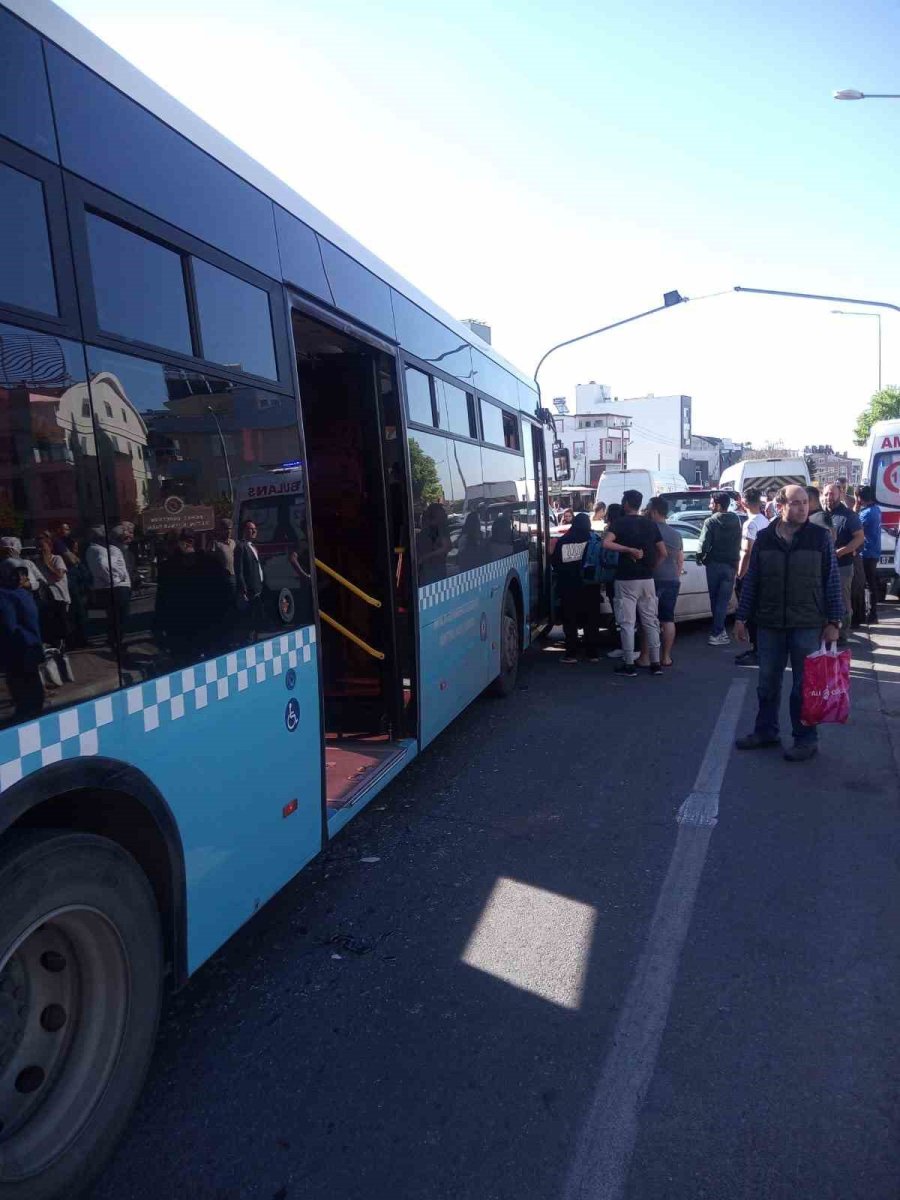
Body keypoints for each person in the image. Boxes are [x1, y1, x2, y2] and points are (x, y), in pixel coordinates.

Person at [734, 484, 843, 762]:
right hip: (769, 623)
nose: (802, 508)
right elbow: (753, 581)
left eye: (805, 502)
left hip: (807, 623)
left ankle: (806, 739)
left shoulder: (819, 537)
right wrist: (742, 617)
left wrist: (835, 620)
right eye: (795, 503)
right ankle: (766, 731)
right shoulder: (765, 537)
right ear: (780, 506)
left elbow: (832, 580)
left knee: (803, 687)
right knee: (767, 682)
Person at [603, 489, 664, 677]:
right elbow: (663, 552)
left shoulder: (619, 524)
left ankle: (629, 664)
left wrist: (628, 549)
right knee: (650, 621)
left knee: (627, 623)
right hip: (647, 579)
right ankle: (656, 663)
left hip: (626, 579)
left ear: (626, 503)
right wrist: (651, 568)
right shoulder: (650, 525)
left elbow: (606, 543)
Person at [551, 512, 604, 663]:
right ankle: (592, 653)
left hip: (569, 586)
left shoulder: (564, 540)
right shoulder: (593, 540)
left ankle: (571, 653)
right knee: (591, 620)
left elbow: (556, 562)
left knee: (570, 620)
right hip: (590, 586)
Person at [636, 496, 682, 668]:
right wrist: (676, 576)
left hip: (653, 579)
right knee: (668, 619)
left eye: (648, 508)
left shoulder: (649, 531)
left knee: (647, 619)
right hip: (672, 579)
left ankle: (646, 657)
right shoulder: (676, 534)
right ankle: (666, 657)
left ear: (654, 511)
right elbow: (680, 559)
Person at [0, 559, 45, 721]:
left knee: (34, 689)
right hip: (19, 650)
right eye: (15, 573)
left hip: (31, 646)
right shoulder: (4, 595)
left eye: (22, 573)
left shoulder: (23, 593)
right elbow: (9, 625)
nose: (20, 577)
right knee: (23, 690)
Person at [697, 491, 741, 646]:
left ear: (717, 505)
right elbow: (737, 543)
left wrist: (700, 557)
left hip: (714, 565)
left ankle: (716, 632)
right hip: (730, 565)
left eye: (711, 503)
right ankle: (719, 631)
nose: (709, 506)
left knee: (715, 600)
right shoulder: (736, 520)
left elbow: (703, 544)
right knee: (723, 600)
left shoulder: (710, 521)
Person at [823, 482, 864, 644]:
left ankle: (842, 633)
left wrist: (841, 552)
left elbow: (859, 537)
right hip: (823, 566)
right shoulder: (821, 514)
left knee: (842, 600)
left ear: (840, 494)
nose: (828, 497)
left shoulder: (848, 516)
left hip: (843, 566)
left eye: (832, 494)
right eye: (826, 494)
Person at [734, 487, 769, 666]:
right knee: (757, 613)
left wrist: (740, 574)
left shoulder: (750, 524)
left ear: (744, 502)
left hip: (750, 573)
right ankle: (758, 648)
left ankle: (757, 651)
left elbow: (747, 551)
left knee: (750, 613)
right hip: (763, 572)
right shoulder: (765, 520)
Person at [85, 526, 132, 649]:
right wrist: (115, 579)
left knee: (113, 617)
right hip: (116, 588)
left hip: (110, 587)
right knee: (119, 617)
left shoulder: (94, 550)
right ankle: (117, 643)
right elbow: (103, 565)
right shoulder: (101, 550)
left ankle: (113, 641)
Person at [35, 532, 71, 647]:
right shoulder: (37, 562)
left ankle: (62, 647)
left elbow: (58, 576)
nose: (40, 549)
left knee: (61, 627)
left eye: (42, 546)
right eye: (38, 547)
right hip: (46, 599)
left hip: (59, 597)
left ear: (49, 547)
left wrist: (47, 563)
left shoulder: (57, 559)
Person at [234, 518, 265, 637]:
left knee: (258, 619)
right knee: (250, 620)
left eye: (254, 529)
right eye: (250, 529)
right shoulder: (241, 547)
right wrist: (243, 590)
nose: (253, 531)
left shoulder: (253, 546)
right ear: (244, 531)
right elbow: (239, 571)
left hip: (259, 588)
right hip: (249, 590)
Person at [857, 484, 882, 624]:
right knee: (871, 582)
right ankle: (872, 613)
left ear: (860, 498)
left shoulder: (865, 513)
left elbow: (854, 525)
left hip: (866, 552)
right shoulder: (876, 510)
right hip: (874, 550)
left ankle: (870, 613)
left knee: (866, 583)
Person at [415, 503, 451, 584]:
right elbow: (446, 547)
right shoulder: (426, 531)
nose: (445, 514)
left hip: (434, 568)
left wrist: (424, 557)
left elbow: (447, 547)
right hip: (427, 569)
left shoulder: (441, 529)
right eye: (443, 512)